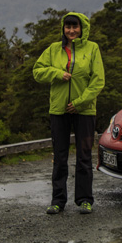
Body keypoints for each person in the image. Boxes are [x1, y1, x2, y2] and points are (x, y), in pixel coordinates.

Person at [33, 11, 105, 215]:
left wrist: (80, 102)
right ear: (63, 29)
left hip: (84, 110)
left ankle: (84, 200)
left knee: (84, 156)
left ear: (82, 28)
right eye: (68, 27)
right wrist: (56, 73)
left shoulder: (92, 48)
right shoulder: (53, 49)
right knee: (60, 156)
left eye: (75, 26)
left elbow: (98, 81)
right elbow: (37, 71)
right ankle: (58, 201)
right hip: (58, 109)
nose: (72, 30)